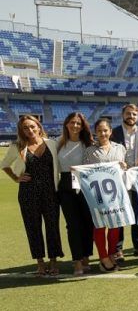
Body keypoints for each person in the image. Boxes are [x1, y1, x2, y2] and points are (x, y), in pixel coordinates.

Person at [1, 115, 63, 276]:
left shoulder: (51, 144)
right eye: (25, 128)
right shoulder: (18, 146)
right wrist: (16, 177)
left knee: (52, 228)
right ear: (21, 131)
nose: (30, 130)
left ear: (38, 126)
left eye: (32, 126)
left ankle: (54, 261)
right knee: (33, 228)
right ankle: (40, 263)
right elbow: (4, 165)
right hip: (28, 193)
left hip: (51, 193)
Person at [83, 118, 127, 272]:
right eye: (100, 130)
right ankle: (103, 258)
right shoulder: (90, 151)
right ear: (95, 132)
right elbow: (85, 173)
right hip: (98, 195)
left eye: (105, 130)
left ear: (110, 131)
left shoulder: (120, 148)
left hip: (116, 195)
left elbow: (124, 169)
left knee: (115, 226)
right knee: (100, 226)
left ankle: (111, 255)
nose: (103, 133)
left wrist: (124, 167)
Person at [110, 103, 138, 258]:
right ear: (122, 115)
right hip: (119, 178)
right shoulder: (114, 132)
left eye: (134, 114)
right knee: (120, 212)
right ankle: (118, 248)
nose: (131, 116)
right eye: (128, 113)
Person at [57, 112, 94, 276]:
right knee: (73, 225)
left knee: (88, 223)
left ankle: (86, 256)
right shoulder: (57, 143)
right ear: (66, 124)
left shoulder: (88, 143)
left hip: (85, 185)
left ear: (83, 126)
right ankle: (77, 261)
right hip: (65, 186)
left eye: (78, 123)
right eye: (72, 122)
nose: (75, 126)